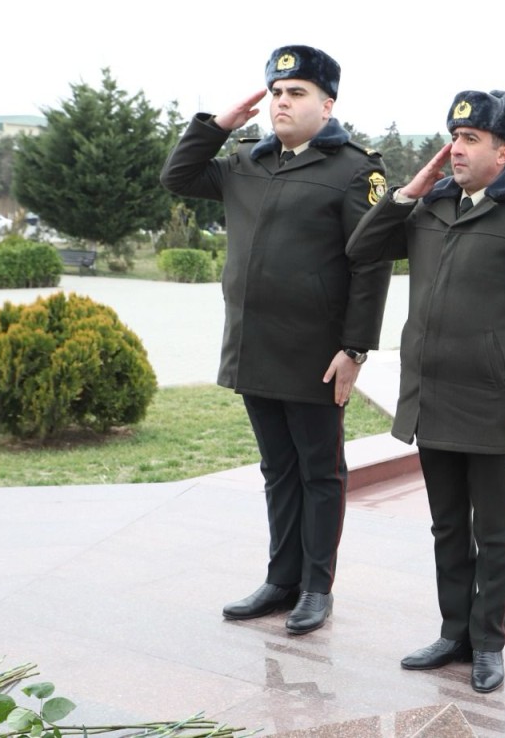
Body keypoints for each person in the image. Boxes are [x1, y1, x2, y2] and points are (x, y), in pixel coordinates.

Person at [161, 45, 392, 635]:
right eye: (277, 93)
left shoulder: (353, 172)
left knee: (320, 471)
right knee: (277, 469)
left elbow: (371, 266)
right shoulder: (246, 162)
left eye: (297, 94)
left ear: (327, 103)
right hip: (253, 345)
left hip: (316, 353)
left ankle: (317, 586)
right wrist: (218, 127)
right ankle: (280, 579)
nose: (282, 103)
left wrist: (355, 348)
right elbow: (178, 175)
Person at [346, 90, 505, 694]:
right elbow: (361, 249)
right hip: (431, 394)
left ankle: (488, 643)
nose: (456, 149)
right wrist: (409, 192)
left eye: (470, 139)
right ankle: (453, 633)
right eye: (454, 136)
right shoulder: (431, 204)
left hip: (494, 402)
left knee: (492, 528)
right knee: (446, 523)